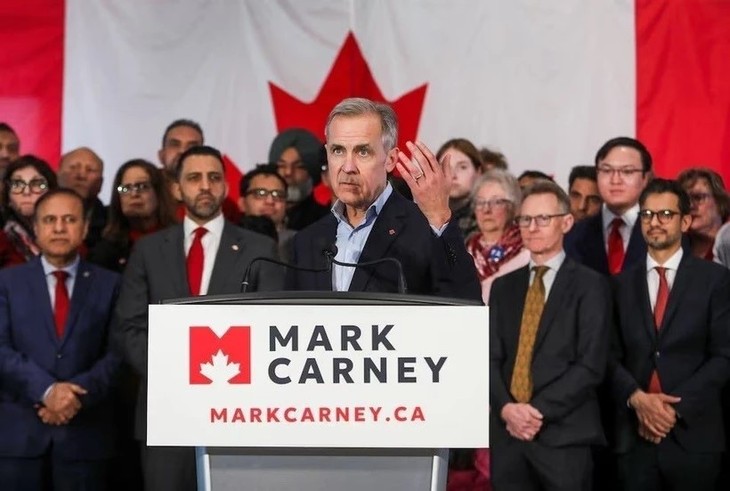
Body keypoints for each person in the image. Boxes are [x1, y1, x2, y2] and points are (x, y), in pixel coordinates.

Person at [113, 145, 284, 491]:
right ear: (176, 188)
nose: (204, 186)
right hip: (166, 412)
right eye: (194, 178)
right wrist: (180, 379)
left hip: (236, 413)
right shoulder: (147, 249)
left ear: (224, 186)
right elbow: (130, 327)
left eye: (213, 177)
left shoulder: (259, 249)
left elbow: (272, 327)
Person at [287, 97, 481, 300]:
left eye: (363, 151)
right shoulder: (306, 241)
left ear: (390, 160)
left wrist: (440, 217)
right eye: (338, 151)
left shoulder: (427, 227)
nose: (348, 167)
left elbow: (467, 304)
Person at [609, 179, 730, 491]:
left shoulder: (716, 280)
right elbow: (607, 356)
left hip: (695, 438)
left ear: (685, 221)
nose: (655, 223)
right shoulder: (619, 285)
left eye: (665, 214)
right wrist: (637, 400)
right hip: (633, 440)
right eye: (647, 215)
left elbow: (724, 356)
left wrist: (670, 409)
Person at [490, 180, 611, 491]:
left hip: (564, 436)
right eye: (525, 219)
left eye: (544, 219)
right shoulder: (504, 287)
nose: (533, 227)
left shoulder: (591, 285)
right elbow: (488, 357)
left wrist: (533, 413)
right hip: (508, 436)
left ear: (566, 222)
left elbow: (591, 365)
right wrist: (506, 408)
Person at [0, 188, 121, 489]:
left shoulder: (112, 284)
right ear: (36, 228)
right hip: (19, 440)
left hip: (85, 438)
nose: (58, 227)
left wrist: (73, 398)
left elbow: (118, 353)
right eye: (50, 219)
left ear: (83, 227)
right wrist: (46, 391)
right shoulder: (6, 282)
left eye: (69, 219)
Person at [565, 136, 651, 276]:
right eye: (606, 171)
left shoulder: (667, 233)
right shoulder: (572, 236)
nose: (615, 180)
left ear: (645, 178)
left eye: (627, 171)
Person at [88, 159, 177, 272]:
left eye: (142, 186)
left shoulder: (181, 241)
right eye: (125, 188)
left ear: (158, 193)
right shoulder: (104, 253)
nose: (134, 194)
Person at [465, 170, 530, 303]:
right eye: (480, 202)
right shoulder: (466, 249)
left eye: (497, 202)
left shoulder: (526, 250)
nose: (486, 210)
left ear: (514, 207)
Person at [0, 155, 58, 268]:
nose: (26, 192)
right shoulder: (2, 244)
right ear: (8, 198)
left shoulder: (68, 239)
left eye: (37, 184)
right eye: (17, 184)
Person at [270, 128, 329, 230]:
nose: (288, 172)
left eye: (299, 166)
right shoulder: (260, 217)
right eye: (282, 165)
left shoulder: (326, 221)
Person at [237, 163, 296, 260]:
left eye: (278, 195)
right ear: (242, 203)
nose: (270, 201)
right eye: (260, 193)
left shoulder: (301, 242)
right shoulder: (226, 239)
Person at [57, 147, 107, 250]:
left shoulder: (112, 225)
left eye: (90, 170)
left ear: (100, 183)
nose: (81, 175)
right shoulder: (36, 214)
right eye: (73, 167)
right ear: (57, 175)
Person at [677, 168, 729, 260]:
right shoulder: (674, 250)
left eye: (698, 197)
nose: (691, 206)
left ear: (719, 201)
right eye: (684, 200)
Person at [437, 138, 483, 239]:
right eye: (446, 167)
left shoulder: (485, 216)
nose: (453, 175)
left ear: (478, 172)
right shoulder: (422, 213)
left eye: (462, 167)